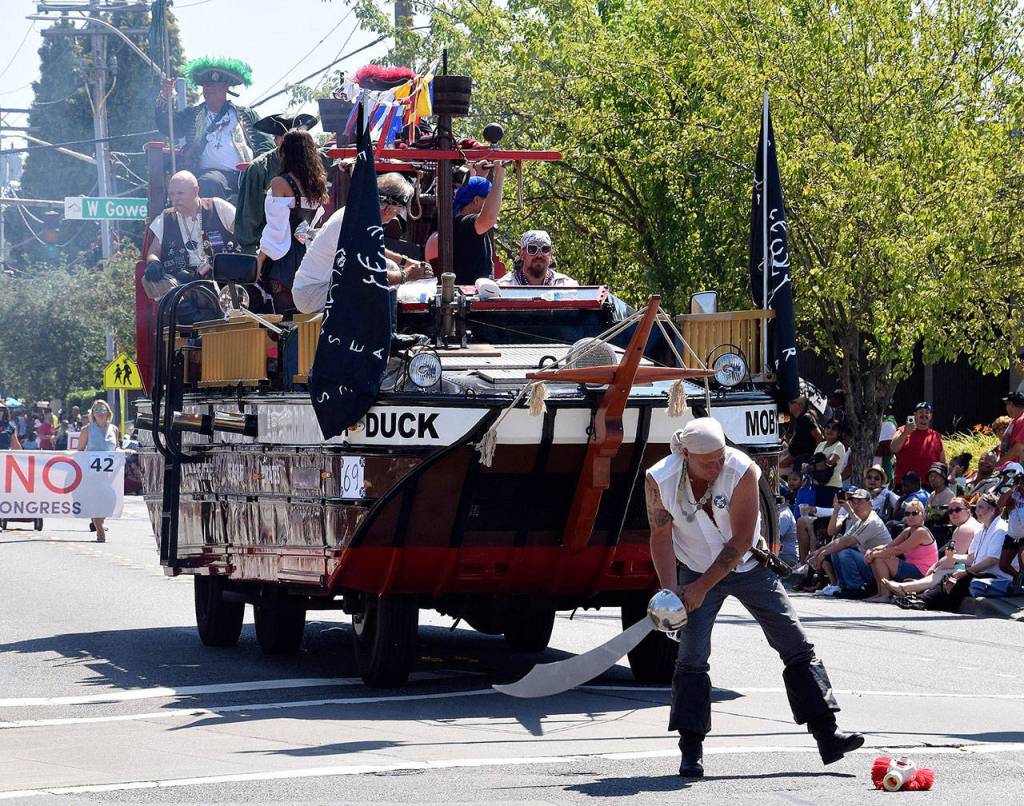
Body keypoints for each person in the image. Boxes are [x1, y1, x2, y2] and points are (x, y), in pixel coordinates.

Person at [645, 418, 862, 777]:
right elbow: (660, 535)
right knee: (691, 657)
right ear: (685, 454)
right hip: (694, 566)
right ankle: (691, 748)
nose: (718, 465)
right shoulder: (660, 478)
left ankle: (827, 733)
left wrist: (699, 590)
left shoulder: (740, 467)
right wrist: (673, 591)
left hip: (748, 566)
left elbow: (741, 540)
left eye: (720, 456)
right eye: (708, 461)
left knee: (796, 643)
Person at [292, 173, 433, 313]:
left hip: (317, 287)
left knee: (389, 266)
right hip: (312, 293)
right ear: (388, 209)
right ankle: (384, 333)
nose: (395, 217)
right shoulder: (358, 222)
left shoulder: (358, 213)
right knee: (375, 283)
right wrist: (406, 275)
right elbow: (371, 275)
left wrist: (405, 262)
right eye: (397, 213)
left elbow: (373, 250)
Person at [156, 57, 272, 201]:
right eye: (206, 86)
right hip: (212, 175)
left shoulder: (247, 115)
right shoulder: (192, 114)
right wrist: (165, 97)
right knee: (210, 183)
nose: (208, 89)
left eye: (213, 85)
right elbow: (167, 126)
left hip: (246, 175)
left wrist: (257, 168)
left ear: (225, 88)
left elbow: (267, 144)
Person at [144, 171, 235, 321]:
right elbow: (153, 251)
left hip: (220, 277)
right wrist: (153, 263)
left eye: (180, 193)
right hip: (183, 283)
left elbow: (243, 234)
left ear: (195, 190)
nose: (175, 198)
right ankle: (193, 319)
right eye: (172, 194)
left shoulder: (217, 206)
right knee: (149, 280)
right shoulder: (166, 218)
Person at [256, 129, 329, 312]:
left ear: (284, 152)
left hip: (283, 258)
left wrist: (259, 259)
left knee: (283, 317)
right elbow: (309, 227)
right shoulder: (317, 183)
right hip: (309, 254)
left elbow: (277, 229)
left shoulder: (280, 183)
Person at [234, 113, 319, 254]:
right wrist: (253, 253)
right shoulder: (259, 169)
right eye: (292, 140)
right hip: (272, 249)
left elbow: (336, 156)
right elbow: (248, 219)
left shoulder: (315, 163)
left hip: (308, 247)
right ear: (277, 140)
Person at [915, 493, 1011, 611]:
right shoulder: (981, 529)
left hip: (996, 576)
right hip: (978, 570)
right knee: (950, 572)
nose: (976, 511)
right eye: (976, 507)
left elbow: (992, 560)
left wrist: (966, 572)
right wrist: (954, 557)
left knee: (960, 578)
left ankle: (928, 602)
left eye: (981, 507)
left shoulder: (1000, 529)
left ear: (993, 510)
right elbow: (971, 558)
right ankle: (921, 599)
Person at [884, 497, 981, 598]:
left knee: (941, 571)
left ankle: (907, 587)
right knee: (939, 568)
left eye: (957, 510)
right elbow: (953, 556)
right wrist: (936, 564)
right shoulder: (971, 524)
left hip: (969, 567)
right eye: (950, 511)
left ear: (968, 510)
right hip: (972, 564)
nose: (954, 513)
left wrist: (935, 569)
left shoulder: (964, 529)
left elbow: (953, 561)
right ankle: (916, 586)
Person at [808, 489, 892, 597]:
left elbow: (847, 543)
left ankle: (856, 588)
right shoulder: (861, 521)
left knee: (845, 553)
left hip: (881, 568)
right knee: (836, 551)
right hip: (870, 563)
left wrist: (824, 553)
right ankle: (844, 586)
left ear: (870, 503)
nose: (856, 505)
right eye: (853, 502)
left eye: (860, 501)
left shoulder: (872, 521)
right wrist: (819, 551)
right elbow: (841, 539)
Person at [863, 499, 938, 602]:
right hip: (911, 567)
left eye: (915, 513)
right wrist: (871, 551)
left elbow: (899, 549)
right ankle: (880, 593)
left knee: (880, 557)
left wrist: (875, 554)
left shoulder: (921, 531)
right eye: (907, 513)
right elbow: (889, 546)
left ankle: (885, 595)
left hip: (922, 573)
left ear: (923, 515)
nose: (911, 516)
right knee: (877, 556)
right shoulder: (908, 531)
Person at [446, 163, 507, 283]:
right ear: (476, 200)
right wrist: (500, 172)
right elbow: (489, 217)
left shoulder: (457, 222)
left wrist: (479, 176)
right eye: (488, 199)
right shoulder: (465, 224)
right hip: (469, 296)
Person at [77, 400, 119, 543]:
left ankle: (100, 522)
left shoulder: (114, 429)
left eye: (103, 410)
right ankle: (100, 530)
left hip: (109, 473)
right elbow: (80, 450)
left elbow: (116, 448)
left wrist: (122, 452)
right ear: (93, 414)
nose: (100, 413)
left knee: (109, 501)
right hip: (92, 473)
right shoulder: (87, 429)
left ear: (108, 413)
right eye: (97, 411)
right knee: (96, 501)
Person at [497, 230, 578, 287]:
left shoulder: (567, 286)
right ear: (522, 254)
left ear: (551, 254)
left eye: (545, 249)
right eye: (532, 249)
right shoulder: (505, 287)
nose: (539, 255)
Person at [890, 402, 946, 483]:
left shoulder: (936, 436)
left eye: (927, 412)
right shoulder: (903, 430)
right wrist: (905, 433)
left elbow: (942, 463)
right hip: (905, 484)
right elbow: (893, 448)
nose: (924, 415)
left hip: (929, 485)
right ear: (915, 415)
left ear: (930, 416)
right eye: (921, 412)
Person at [780, 396, 822, 472]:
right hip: (792, 453)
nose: (789, 404)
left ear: (800, 406)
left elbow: (819, 436)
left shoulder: (806, 418)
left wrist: (815, 457)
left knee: (777, 469)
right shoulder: (798, 419)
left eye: (792, 402)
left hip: (800, 459)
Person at [997, 391, 1024, 469]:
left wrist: (998, 465)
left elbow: (1018, 449)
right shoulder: (1015, 420)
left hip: (1017, 470)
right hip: (1010, 467)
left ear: (1011, 404)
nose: (1006, 408)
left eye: (1006, 404)